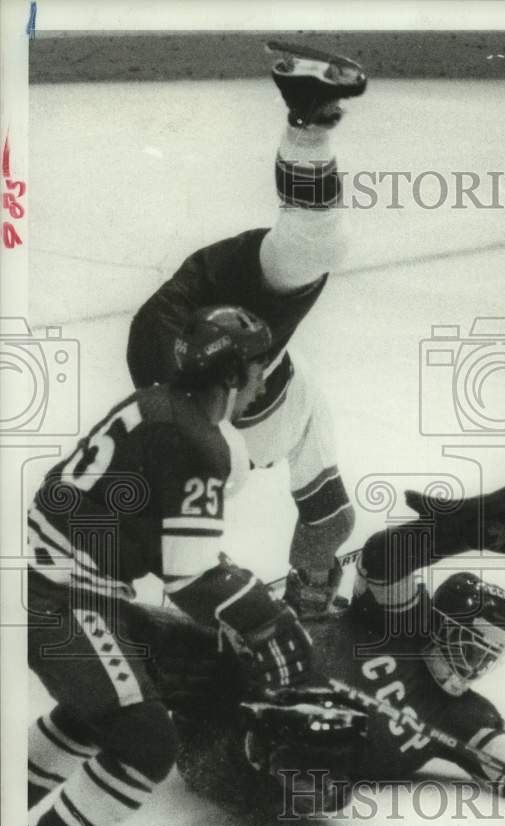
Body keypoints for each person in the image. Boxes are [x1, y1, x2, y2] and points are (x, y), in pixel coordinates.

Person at [26, 304, 365, 826]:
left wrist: (234, 594)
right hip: (64, 598)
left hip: (55, 584)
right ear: (233, 374)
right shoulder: (197, 441)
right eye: (259, 368)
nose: (263, 382)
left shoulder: (156, 405)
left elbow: (159, 546)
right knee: (148, 740)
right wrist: (267, 619)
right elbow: (188, 577)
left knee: (107, 709)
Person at [165, 464, 505, 821]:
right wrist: (454, 532)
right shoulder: (406, 623)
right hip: (229, 666)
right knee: (180, 636)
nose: (471, 667)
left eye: (485, 658)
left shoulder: (464, 715)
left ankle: (257, 748)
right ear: (439, 624)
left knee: (315, 771)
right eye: (468, 646)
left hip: (239, 745)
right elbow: (383, 559)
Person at [127, 41, 366, 620]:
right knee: (323, 516)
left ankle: (307, 119)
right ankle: (307, 122)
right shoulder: (199, 434)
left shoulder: (187, 369)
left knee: (316, 242)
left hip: (243, 352)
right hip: (233, 399)